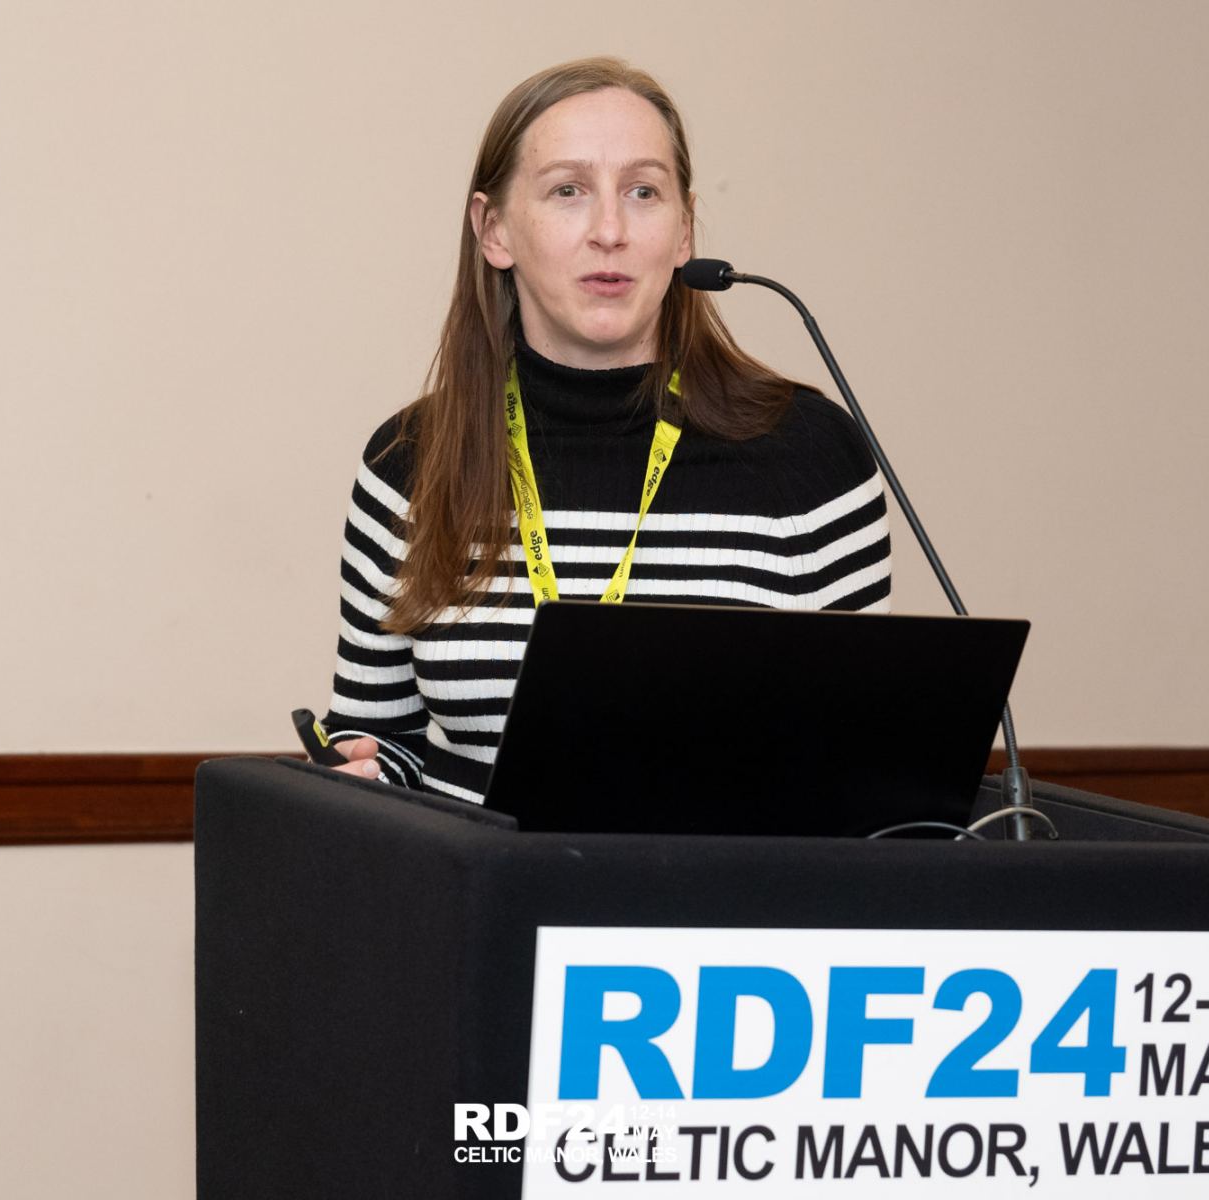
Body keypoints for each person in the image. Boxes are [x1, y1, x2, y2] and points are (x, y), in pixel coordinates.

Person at [319, 57, 890, 802]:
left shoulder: (811, 458)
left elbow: (861, 770)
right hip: (481, 878)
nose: (611, 231)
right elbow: (382, 749)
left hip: (721, 878)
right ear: (494, 230)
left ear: (684, 231)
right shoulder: (408, 464)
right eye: (568, 191)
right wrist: (359, 771)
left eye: (643, 192)